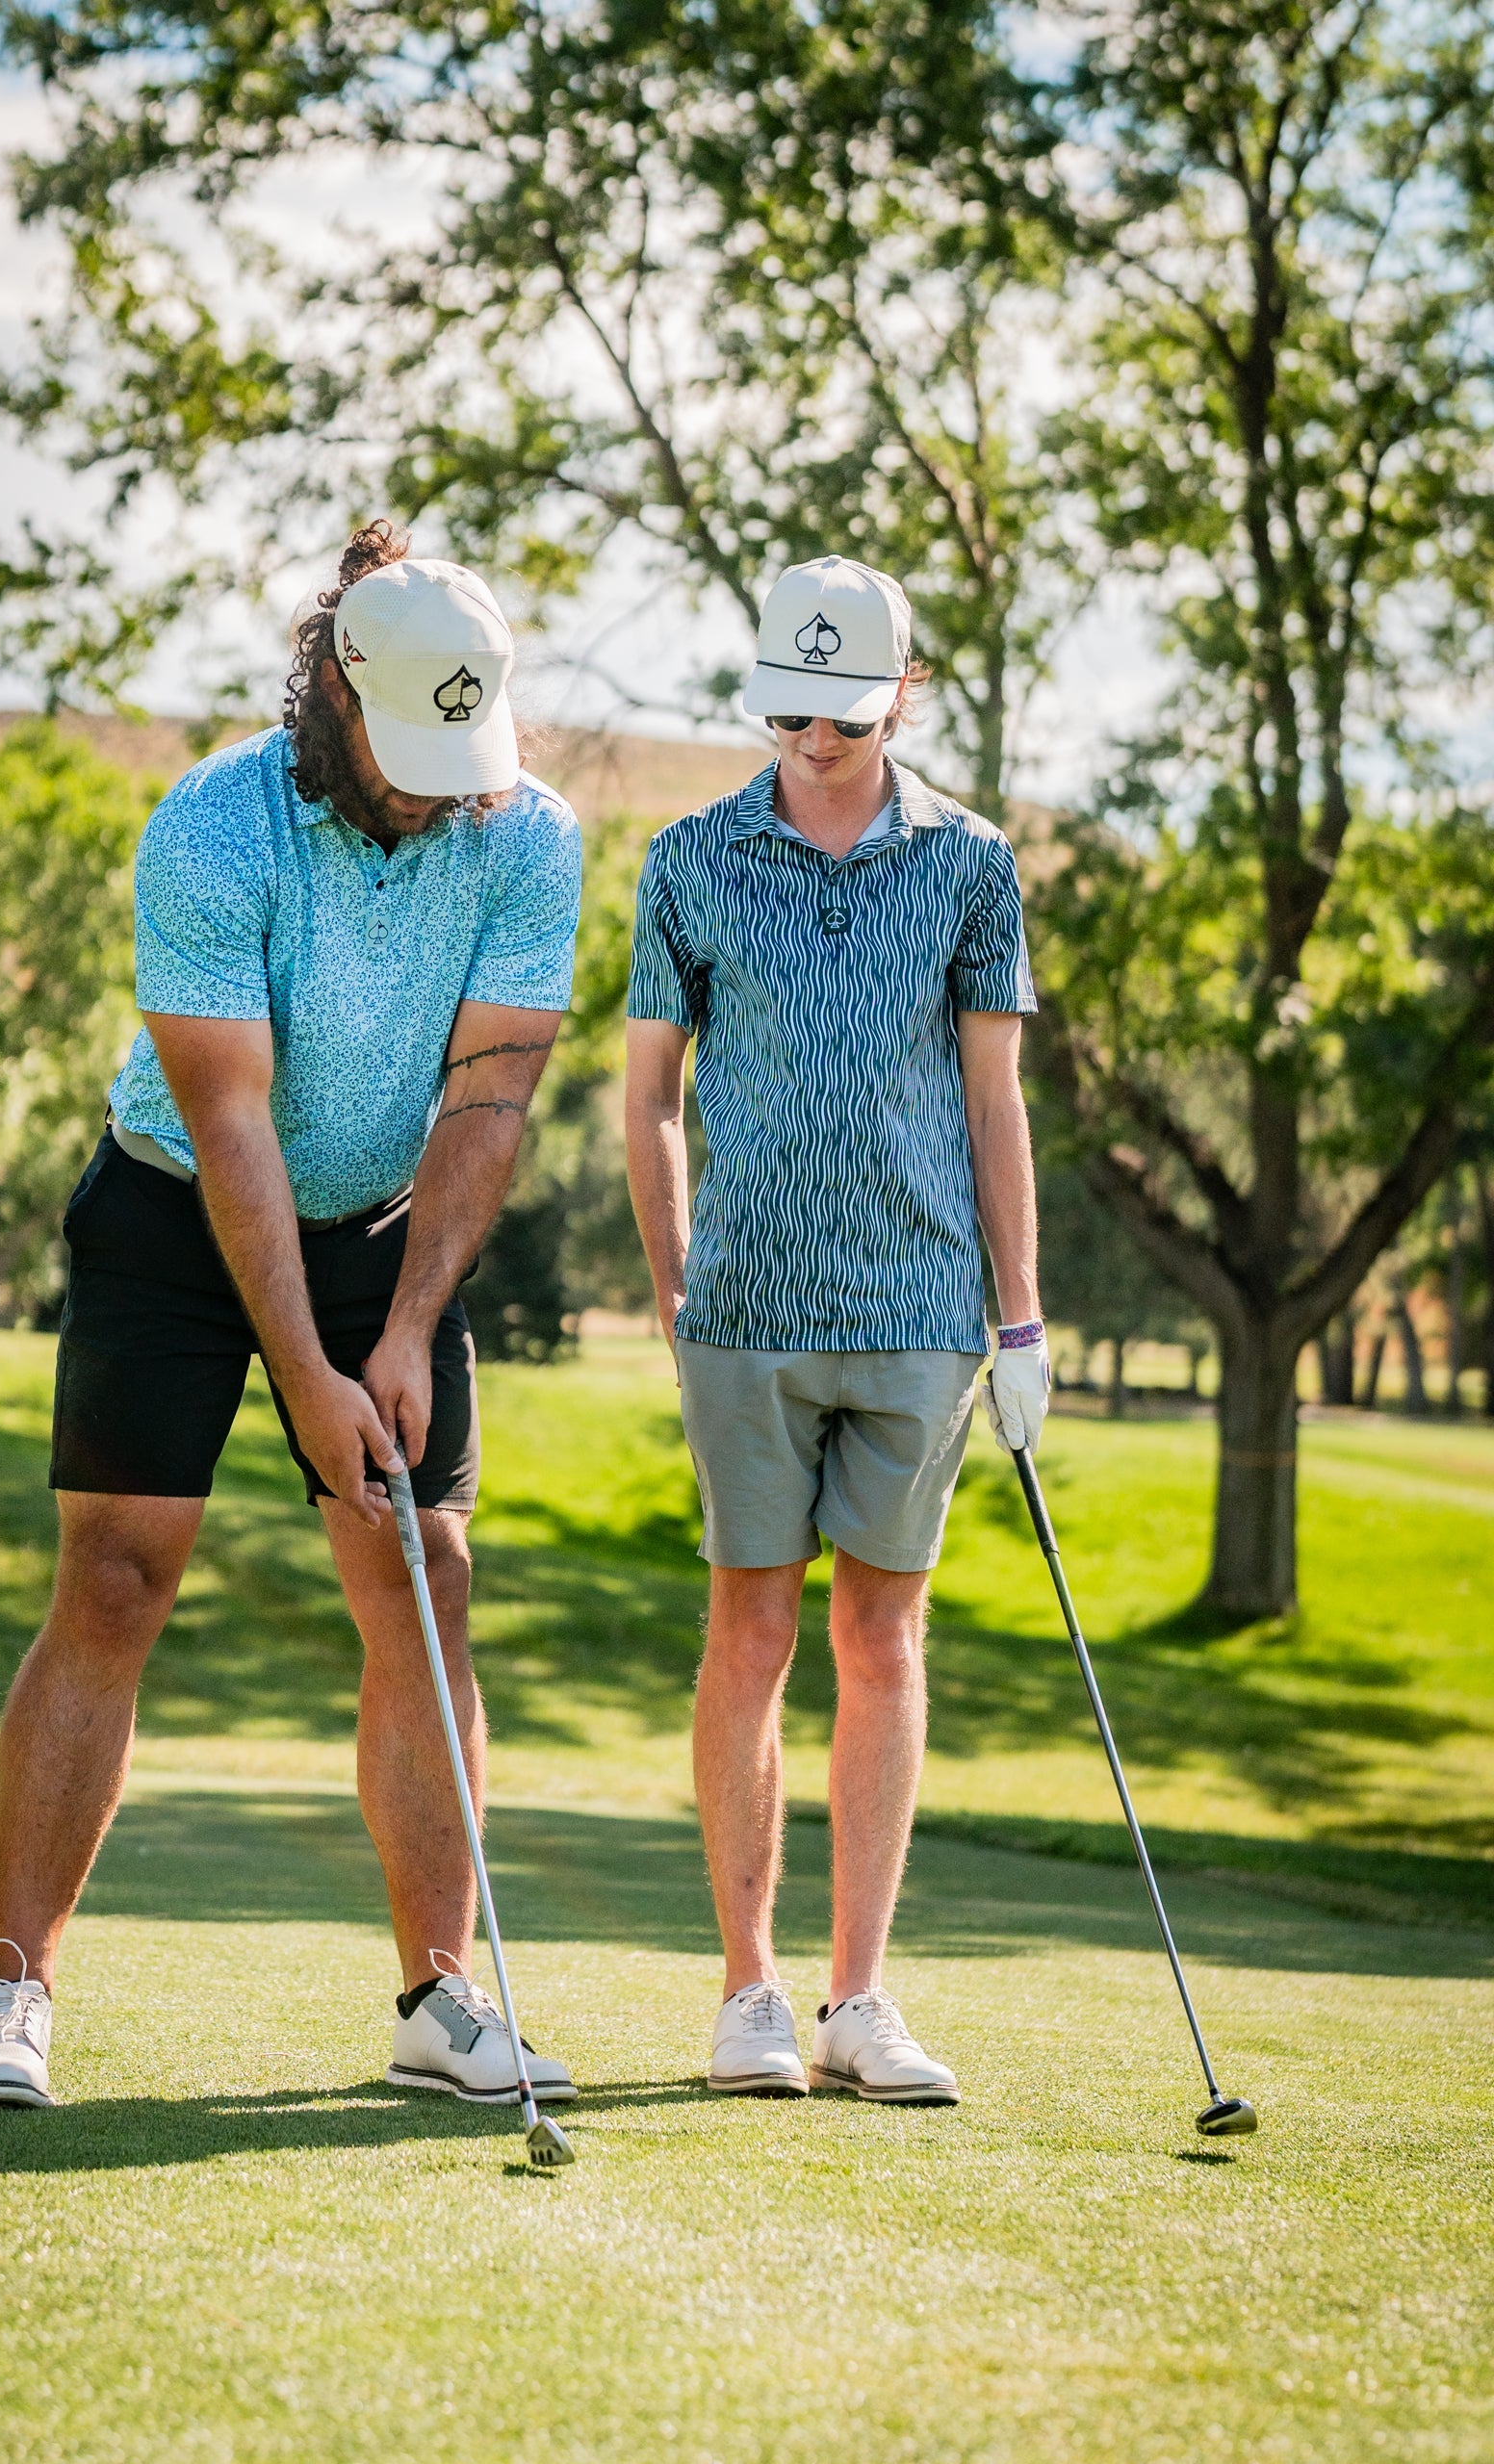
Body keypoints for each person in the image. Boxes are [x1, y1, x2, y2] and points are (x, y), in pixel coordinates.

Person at [0, 524, 582, 2112]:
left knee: (421, 1574)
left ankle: (440, 1994)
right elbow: (230, 1124)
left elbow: (491, 1095)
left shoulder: (528, 833)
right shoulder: (215, 823)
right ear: (333, 694)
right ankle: (12, 1992)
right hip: (176, 1210)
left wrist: (412, 1322)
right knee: (118, 1571)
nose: (440, 786)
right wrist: (302, 1373)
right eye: (411, 751)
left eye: (464, 752)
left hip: (385, 1223)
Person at [624, 554, 1047, 2105]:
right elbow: (650, 1096)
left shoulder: (973, 864)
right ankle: (750, 1994)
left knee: (882, 1636)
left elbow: (995, 1104)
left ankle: (859, 2003)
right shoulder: (686, 856)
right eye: (791, 704)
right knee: (754, 1630)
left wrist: (1021, 1320)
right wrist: (674, 1287)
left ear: (902, 697)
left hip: (923, 1314)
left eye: (844, 711)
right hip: (740, 1314)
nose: (814, 735)